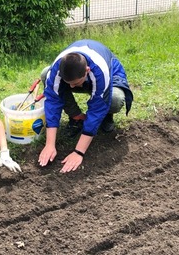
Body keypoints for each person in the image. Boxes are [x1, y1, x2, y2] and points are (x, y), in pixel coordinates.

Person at [38, 39, 133, 173]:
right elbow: (53, 102)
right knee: (45, 74)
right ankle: (76, 117)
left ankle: (107, 116)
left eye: (74, 83)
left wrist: (78, 152)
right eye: (68, 83)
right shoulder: (58, 68)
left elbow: (96, 109)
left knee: (114, 99)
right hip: (80, 75)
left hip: (111, 74)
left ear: (87, 71)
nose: (71, 87)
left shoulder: (101, 71)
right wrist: (49, 145)